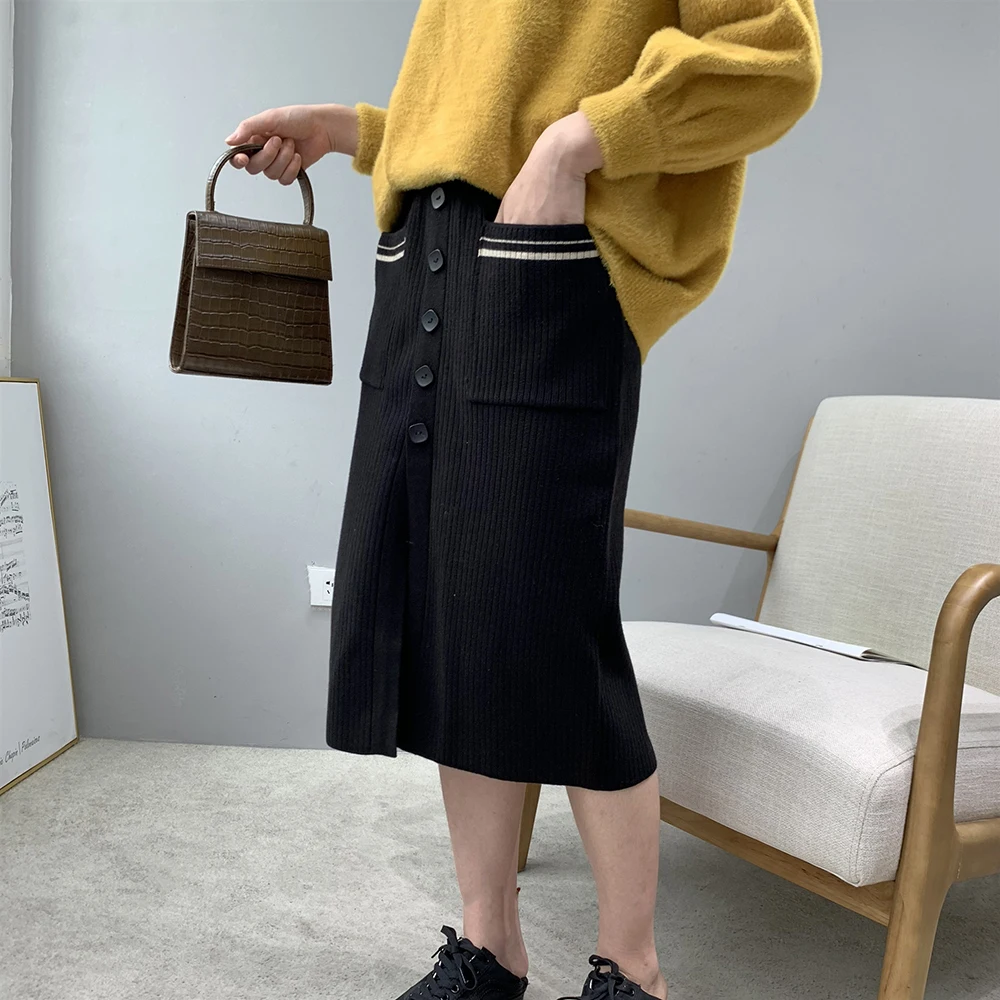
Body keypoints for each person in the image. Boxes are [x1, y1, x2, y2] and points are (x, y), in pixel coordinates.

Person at [225, 2, 821, 997]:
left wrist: (578, 143)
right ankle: (490, 947)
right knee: (458, 629)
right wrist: (348, 130)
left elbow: (776, 59)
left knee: (553, 634)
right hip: (423, 256)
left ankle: (632, 969)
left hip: (547, 255)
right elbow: (479, 118)